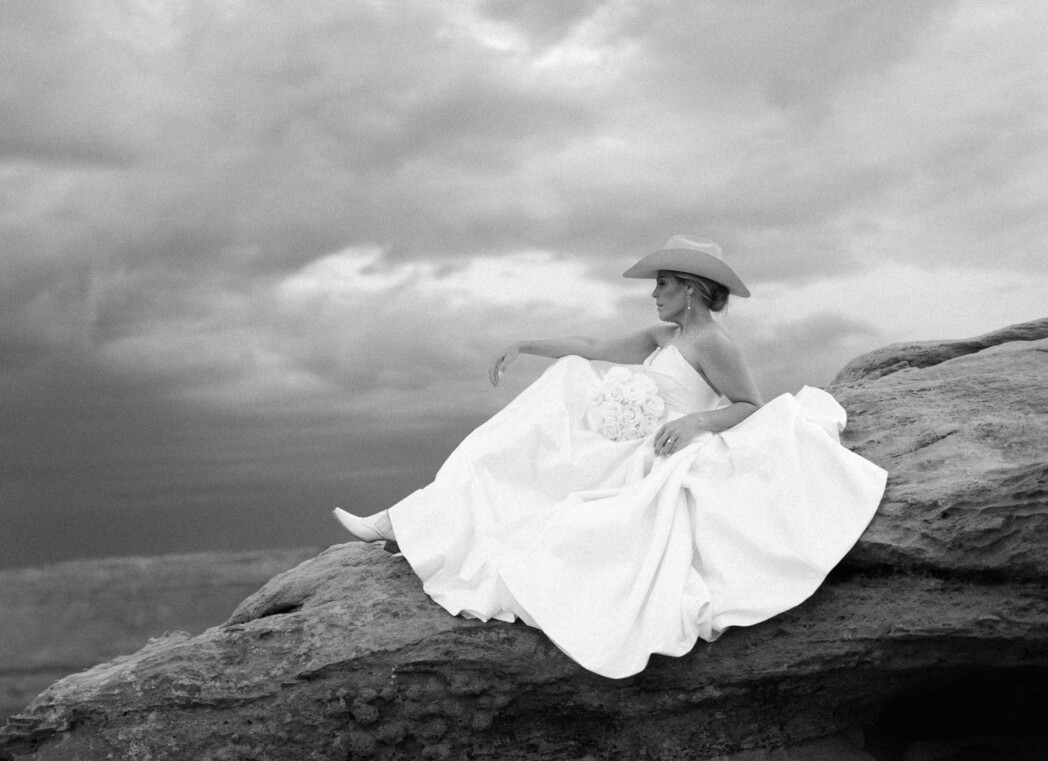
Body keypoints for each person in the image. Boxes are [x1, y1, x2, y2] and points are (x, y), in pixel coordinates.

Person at [334, 234, 887, 679]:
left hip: (659, 452)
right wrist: (524, 344)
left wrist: (695, 421)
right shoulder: (662, 336)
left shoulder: (715, 344)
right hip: (628, 443)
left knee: (551, 509)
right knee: (564, 383)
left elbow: (750, 406)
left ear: (692, 289)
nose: (655, 293)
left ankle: (410, 526)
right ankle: (407, 521)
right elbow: (593, 349)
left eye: (663, 283)